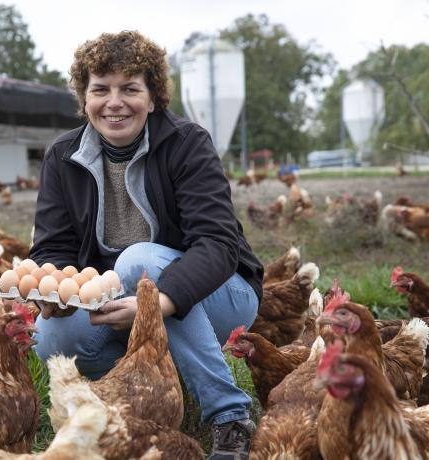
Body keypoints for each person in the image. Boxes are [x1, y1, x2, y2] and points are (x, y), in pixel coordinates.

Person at [30, 30, 263, 460]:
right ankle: (148, 401)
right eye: (100, 89)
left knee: (140, 264)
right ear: (84, 99)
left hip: (219, 293)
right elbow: (53, 247)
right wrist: (54, 290)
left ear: (153, 97)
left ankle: (229, 416)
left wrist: (161, 304)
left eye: (130, 89)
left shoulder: (186, 143)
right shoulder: (63, 156)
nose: (114, 102)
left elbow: (216, 243)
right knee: (51, 337)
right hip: (122, 300)